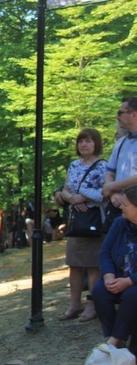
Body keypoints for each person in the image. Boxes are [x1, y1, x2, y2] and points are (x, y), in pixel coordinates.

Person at [58, 129, 107, 322]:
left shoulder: (103, 166)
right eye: (81, 141)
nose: (84, 145)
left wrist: (84, 196)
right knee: (74, 264)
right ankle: (74, 304)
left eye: (88, 141)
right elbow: (65, 189)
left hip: (94, 219)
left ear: (96, 143)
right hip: (75, 221)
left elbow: (105, 192)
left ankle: (92, 305)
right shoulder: (74, 165)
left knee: (93, 265)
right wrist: (71, 198)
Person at [92, 184, 137, 349]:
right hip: (119, 275)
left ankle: (115, 341)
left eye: (125, 205)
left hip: (133, 281)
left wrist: (129, 281)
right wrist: (108, 275)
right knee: (100, 291)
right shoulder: (119, 223)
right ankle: (115, 337)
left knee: (132, 296)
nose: (120, 207)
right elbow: (105, 252)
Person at [103, 98, 137, 220]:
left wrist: (111, 187)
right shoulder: (121, 142)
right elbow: (110, 171)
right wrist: (113, 194)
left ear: (133, 114)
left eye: (120, 113)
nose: (117, 117)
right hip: (118, 205)